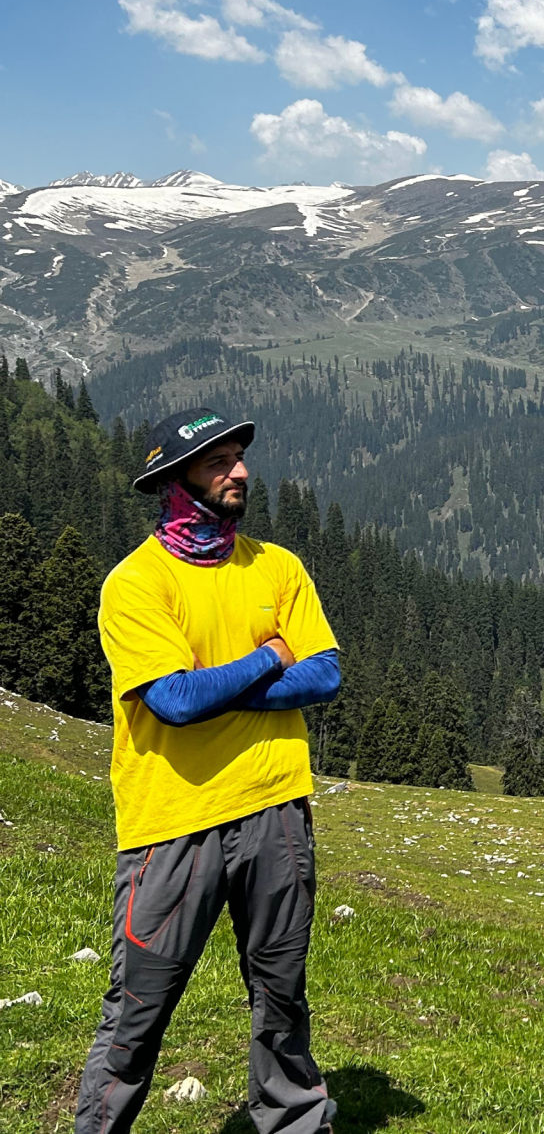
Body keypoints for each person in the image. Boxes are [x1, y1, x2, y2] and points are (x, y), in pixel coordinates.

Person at [77, 408, 341, 1134]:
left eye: (240, 457)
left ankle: (295, 1123)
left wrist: (220, 682)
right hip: (173, 820)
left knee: (281, 992)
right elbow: (174, 703)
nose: (240, 472)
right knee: (139, 1005)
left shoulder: (277, 566)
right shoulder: (136, 583)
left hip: (276, 806)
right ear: (176, 479)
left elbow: (323, 675)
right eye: (218, 461)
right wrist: (268, 657)